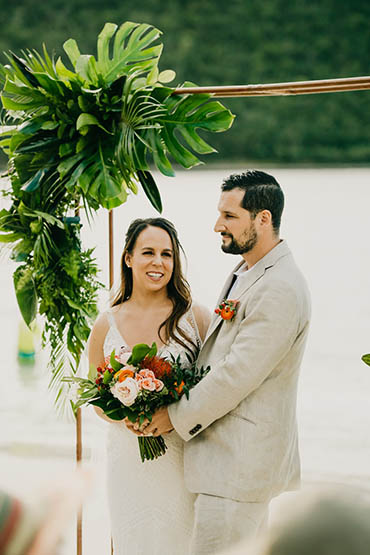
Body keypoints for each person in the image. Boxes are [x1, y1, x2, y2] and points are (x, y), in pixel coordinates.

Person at [135, 171, 311, 554]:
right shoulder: (247, 271)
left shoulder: (280, 286)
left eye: (229, 216)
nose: (218, 225)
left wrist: (174, 416)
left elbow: (236, 374)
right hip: (223, 466)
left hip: (239, 467)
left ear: (262, 219)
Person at [88, 217, 211, 555]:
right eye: (148, 252)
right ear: (128, 257)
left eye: (167, 254)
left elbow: (213, 387)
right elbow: (97, 400)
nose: (158, 262)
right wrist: (124, 418)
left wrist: (173, 412)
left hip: (181, 459)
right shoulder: (105, 323)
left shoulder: (196, 318)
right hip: (128, 463)